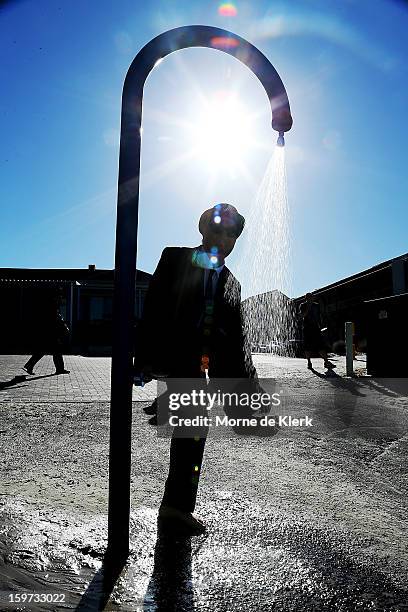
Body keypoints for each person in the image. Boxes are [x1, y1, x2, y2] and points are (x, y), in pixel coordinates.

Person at [133, 203, 260, 535]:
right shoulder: (176, 258)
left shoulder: (232, 283)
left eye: (231, 234)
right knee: (193, 421)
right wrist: (144, 360)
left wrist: (249, 386)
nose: (223, 238)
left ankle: (175, 507)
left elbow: (237, 340)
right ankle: (175, 509)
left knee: (194, 424)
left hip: (203, 364)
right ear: (202, 229)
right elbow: (154, 308)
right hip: (173, 355)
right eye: (217, 229)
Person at [23, 298, 70, 375]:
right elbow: (57, 319)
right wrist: (63, 326)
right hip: (51, 333)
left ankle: (30, 365)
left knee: (46, 350)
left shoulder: (50, 307)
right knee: (54, 350)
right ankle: (59, 369)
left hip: (49, 333)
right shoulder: (53, 308)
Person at [299, 292, 335, 370]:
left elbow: (320, 316)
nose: (310, 299)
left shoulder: (316, 305)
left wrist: (322, 326)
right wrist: (308, 307)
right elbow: (303, 316)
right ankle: (309, 362)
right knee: (307, 346)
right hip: (307, 328)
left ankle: (326, 362)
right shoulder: (303, 305)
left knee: (320, 345)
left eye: (311, 297)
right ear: (306, 299)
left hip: (316, 328)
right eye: (308, 298)